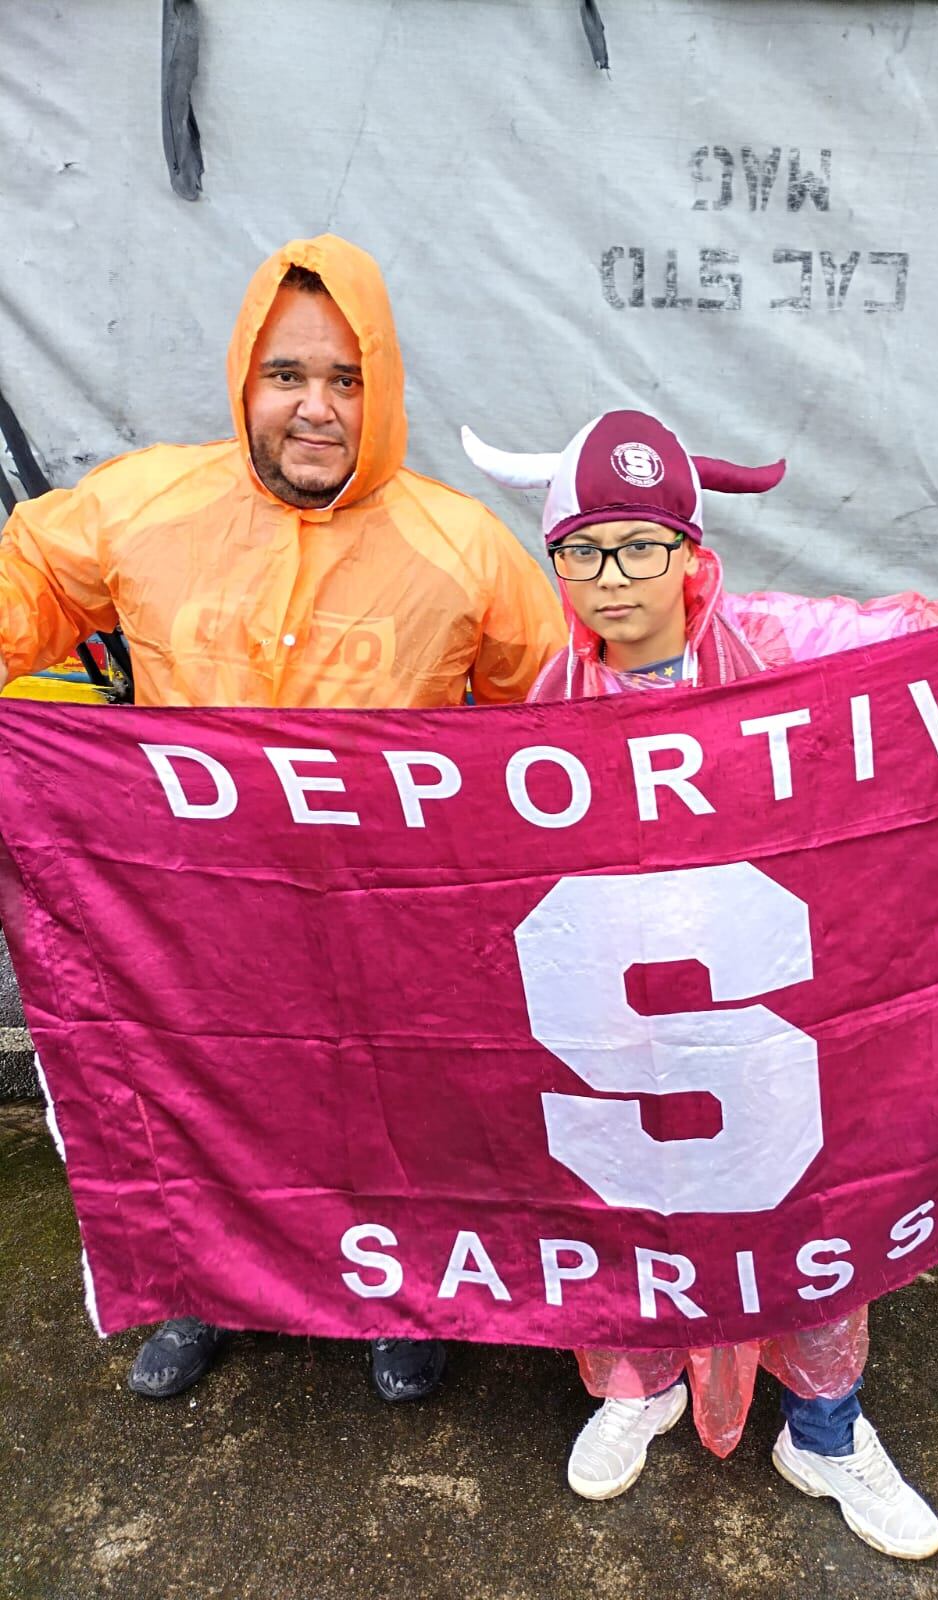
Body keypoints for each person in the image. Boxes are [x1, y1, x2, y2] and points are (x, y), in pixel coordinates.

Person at [462, 406, 938, 1561]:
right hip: (630, 1027)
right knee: (626, 1207)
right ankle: (640, 1384)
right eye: (582, 549)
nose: (612, 578)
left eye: (640, 545)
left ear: (690, 549)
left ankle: (826, 1430)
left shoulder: (781, 644)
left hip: (776, 1015)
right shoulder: (552, 688)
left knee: (810, 1211)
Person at [0, 234, 565, 1403]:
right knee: (198, 1107)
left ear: (383, 387)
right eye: (289, 374)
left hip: (384, 926)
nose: (317, 406)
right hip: (191, 915)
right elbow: (30, 582)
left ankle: (402, 1291)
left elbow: (565, 724)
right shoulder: (145, 505)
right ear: (246, 380)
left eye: (346, 378)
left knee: (393, 1114)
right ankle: (205, 1291)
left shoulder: (462, 548)